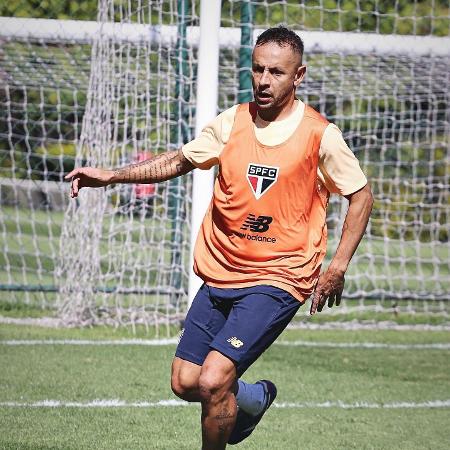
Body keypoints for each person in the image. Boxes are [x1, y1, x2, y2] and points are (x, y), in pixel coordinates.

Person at [66, 26, 373, 449]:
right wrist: (113, 176)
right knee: (186, 381)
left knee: (212, 380)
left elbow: (361, 196)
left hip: (278, 275)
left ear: (298, 75)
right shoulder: (232, 121)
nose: (264, 81)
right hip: (222, 270)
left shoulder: (321, 134)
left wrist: (336, 267)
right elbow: (181, 159)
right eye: (258, 70)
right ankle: (253, 398)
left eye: (277, 73)